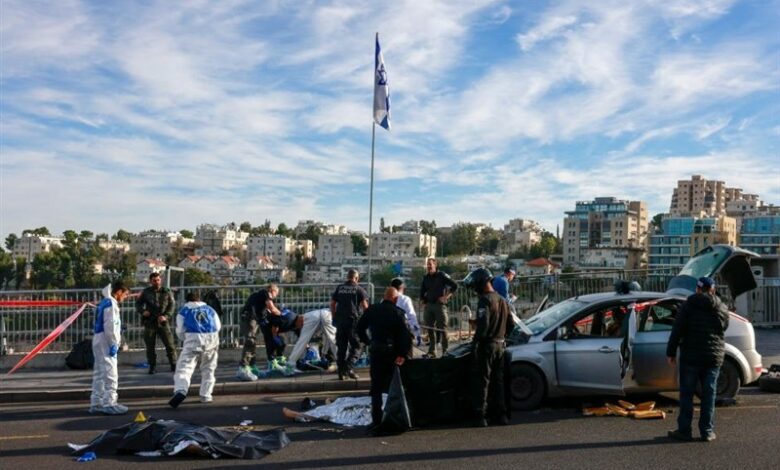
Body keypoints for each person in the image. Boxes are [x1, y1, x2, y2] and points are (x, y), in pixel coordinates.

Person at [666, 276, 730, 442]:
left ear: (697, 289)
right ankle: (707, 431)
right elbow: (724, 327)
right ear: (713, 290)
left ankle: (684, 431)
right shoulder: (722, 307)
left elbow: (677, 330)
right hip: (713, 358)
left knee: (687, 395)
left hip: (691, 357)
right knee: (709, 396)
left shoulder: (688, 305)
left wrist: (671, 352)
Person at [463, 268, 515, 427]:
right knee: (498, 382)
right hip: (500, 345)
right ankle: (501, 415)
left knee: (483, 381)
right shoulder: (502, 300)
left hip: (487, 346)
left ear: (480, 284)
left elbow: (483, 326)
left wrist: (475, 344)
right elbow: (511, 325)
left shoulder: (484, 300)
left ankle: (481, 416)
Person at [356, 287, 412, 430]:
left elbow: (359, 328)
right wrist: (402, 354)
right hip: (391, 352)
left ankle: (376, 420)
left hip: (376, 350)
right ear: (395, 299)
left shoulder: (373, 310)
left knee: (376, 387)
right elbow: (405, 336)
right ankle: (392, 418)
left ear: (384, 297)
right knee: (393, 387)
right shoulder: (399, 313)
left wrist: (368, 342)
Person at [169, 291, 221, 408]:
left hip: (193, 339)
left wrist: (185, 339)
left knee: (184, 368)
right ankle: (206, 395)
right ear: (199, 299)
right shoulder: (210, 309)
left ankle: (181, 390)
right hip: (211, 338)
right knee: (209, 368)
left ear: (187, 301)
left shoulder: (184, 311)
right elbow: (218, 326)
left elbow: (180, 331)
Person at [90, 282, 131, 415]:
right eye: (125, 295)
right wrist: (114, 342)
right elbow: (110, 325)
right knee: (110, 373)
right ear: (118, 292)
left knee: (99, 373)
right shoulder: (111, 303)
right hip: (106, 340)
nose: (124, 298)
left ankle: (97, 402)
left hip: (98, 338)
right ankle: (109, 403)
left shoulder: (104, 302)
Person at [237, 283, 281, 381]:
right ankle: (243, 368)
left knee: (253, 343)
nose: (275, 296)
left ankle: (252, 367)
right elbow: (272, 308)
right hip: (249, 319)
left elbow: (266, 311)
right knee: (250, 342)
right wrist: (282, 314)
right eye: (276, 293)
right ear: (272, 291)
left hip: (252, 320)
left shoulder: (260, 297)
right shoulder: (265, 293)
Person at [135, 272, 178, 374]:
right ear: (150, 281)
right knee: (150, 347)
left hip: (162, 322)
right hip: (150, 322)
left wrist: (166, 316)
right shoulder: (146, 292)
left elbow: (172, 306)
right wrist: (143, 311)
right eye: (154, 280)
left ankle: (174, 364)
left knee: (170, 345)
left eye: (158, 280)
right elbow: (138, 304)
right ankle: (152, 366)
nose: (157, 282)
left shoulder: (166, 291)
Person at [331, 269, 369, 380]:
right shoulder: (359, 289)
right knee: (357, 346)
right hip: (353, 322)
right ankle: (347, 369)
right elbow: (365, 307)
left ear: (347, 277)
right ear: (356, 278)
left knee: (342, 347)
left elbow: (333, 304)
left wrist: (334, 317)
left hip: (340, 322)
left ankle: (342, 372)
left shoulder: (339, 288)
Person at [419, 258, 458, 357]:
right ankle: (432, 351)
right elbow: (422, 291)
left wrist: (446, 297)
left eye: (430, 264)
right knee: (430, 329)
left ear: (435, 265)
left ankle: (446, 352)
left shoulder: (441, 275)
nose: (429, 266)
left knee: (442, 329)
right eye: (427, 264)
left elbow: (454, 286)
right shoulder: (426, 277)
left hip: (439, 306)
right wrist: (423, 301)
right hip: (429, 305)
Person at [390, 278, 422, 347]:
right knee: (405, 354)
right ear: (401, 288)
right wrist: (417, 334)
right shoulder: (405, 299)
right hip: (402, 332)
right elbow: (411, 316)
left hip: (388, 333)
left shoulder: (385, 299)